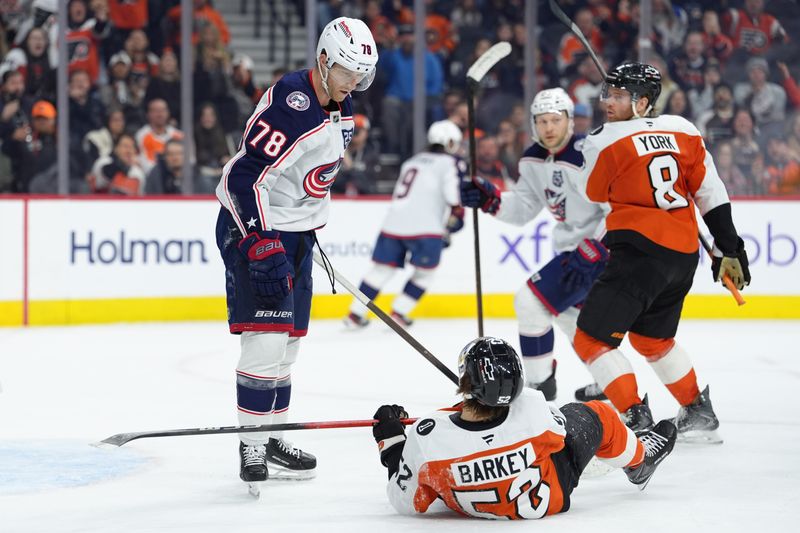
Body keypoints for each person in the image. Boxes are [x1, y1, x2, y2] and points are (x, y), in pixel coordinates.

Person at [214, 17, 378, 486]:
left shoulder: (342, 105)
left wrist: (305, 231)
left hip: (296, 236)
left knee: (287, 346)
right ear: (323, 60)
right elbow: (241, 178)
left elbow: (310, 178)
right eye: (346, 72)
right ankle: (250, 446)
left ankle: (272, 435)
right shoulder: (291, 105)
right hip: (256, 231)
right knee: (265, 342)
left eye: (361, 75)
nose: (353, 83)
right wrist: (260, 241)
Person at [573, 63, 750, 441]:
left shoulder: (603, 138)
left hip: (638, 253)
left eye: (619, 96)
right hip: (682, 256)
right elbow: (710, 191)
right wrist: (728, 246)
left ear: (642, 103)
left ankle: (635, 418)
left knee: (591, 339)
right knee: (652, 339)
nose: (608, 102)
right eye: (608, 94)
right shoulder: (683, 129)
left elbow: (591, 192)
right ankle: (697, 411)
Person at [371, 337, 677, 520]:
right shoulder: (532, 407)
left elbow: (405, 501)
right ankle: (639, 462)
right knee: (597, 414)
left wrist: (393, 442)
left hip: (474, 504)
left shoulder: (428, 437)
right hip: (551, 495)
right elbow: (558, 437)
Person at [460, 88, 608, 401]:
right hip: (575, 250)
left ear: (570, 120)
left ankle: (540, 386)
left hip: (601, 249)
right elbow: (524, 208)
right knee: (573, 320)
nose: (549, 127)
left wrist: (598, 246)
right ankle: (613, 385)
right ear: (533, 124)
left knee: (530, 303)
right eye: (542, 121)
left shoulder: (589, 154)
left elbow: (617, 206)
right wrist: (492, 200)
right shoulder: (532, 159)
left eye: (555, 120)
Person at [343, 120, 465, 330]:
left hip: (393, 224)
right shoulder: (450, 163)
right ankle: (399, 312)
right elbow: (454, 198)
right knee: (425, 274)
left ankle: (355, 314)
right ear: (450, 142)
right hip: (427, 228)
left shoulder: (412, 161)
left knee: (380, 270)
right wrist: (454, 222)